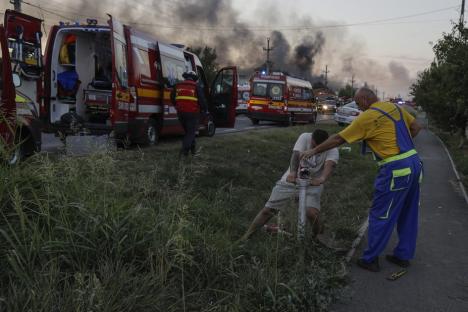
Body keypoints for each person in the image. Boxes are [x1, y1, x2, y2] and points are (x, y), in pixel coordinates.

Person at [300, 87, 423, 272]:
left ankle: (370, 259)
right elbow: (416, 127)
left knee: (381, 214)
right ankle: (403, 256)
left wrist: (313, 151)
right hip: (414, 163)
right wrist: (400, 148)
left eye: (358, 103)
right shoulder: (394, 108)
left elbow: (338, 139)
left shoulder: (367, 117)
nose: (359, 107)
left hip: (395, 170)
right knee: (408, 212)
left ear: (365, 100)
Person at [241, 129, 339, 241]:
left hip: (312, 183)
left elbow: (330, 165)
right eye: (314, 145)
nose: (315, 149)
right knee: (268, 210)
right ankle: (246, 237)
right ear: (311, 138)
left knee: (312, 213)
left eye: (320, 147)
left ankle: (316, 237)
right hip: (292, 181)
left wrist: (321, 179)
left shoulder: (333, 148)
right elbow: (295, 155)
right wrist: (292, 173)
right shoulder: (304, 136)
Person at [172, 71, 207, 156]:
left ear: (185, 77)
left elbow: (172, 97)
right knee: (190, 133)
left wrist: (177, 106)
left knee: (189, 132)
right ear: (194, 79)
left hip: (181, 113)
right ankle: (183, 152)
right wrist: (204, 110)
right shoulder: (196, 86)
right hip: (192, 113)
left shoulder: (178, 85)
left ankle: (193, 151)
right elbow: (202, 100)